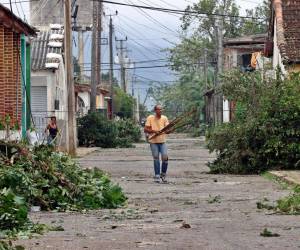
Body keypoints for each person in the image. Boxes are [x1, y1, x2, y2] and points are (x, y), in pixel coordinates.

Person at [144, 104, 169, 183]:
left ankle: (163, 174)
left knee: (165, 158)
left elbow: (167, 129)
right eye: (158, 109)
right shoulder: (150, 118)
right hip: (153, 141)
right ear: (155, 110)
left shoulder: (164, 118)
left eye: (161, 109)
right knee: (156, 158)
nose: (160, 111)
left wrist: (169, 130)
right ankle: (157, 175)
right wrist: (155, 131)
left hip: (162, 141)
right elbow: (145, 129)